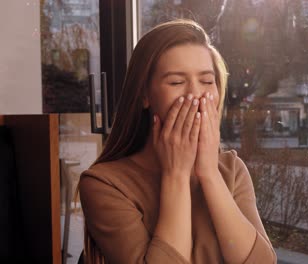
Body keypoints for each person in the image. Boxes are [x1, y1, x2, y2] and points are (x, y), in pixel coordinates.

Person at [78, 19, 277, 264]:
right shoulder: (104, 184)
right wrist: (177, 174)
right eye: (176, 82)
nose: (195, 94)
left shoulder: (232, 170)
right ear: (144, 95)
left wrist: (209, 173)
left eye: (206, 81)